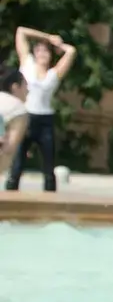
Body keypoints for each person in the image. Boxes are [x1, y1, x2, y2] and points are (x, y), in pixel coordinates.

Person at [5, 26, 76, 192]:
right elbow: (21, 31)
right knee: (17, 165)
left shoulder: (54, 74)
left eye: (46, 52)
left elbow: (71, 52)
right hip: (25, 119)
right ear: (35, 54)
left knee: (49, 168)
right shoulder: (27, 64)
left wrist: (60, 45)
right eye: (39, 51)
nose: (43, 54)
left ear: (50, 56)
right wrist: (49, 37)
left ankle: (50, 204)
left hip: (45, 121)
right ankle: (8, 201)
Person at [0, 66, 30, 173]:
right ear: (15, 87)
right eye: (25, 86)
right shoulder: (18, 108)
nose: (28, 90)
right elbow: (10, 147)